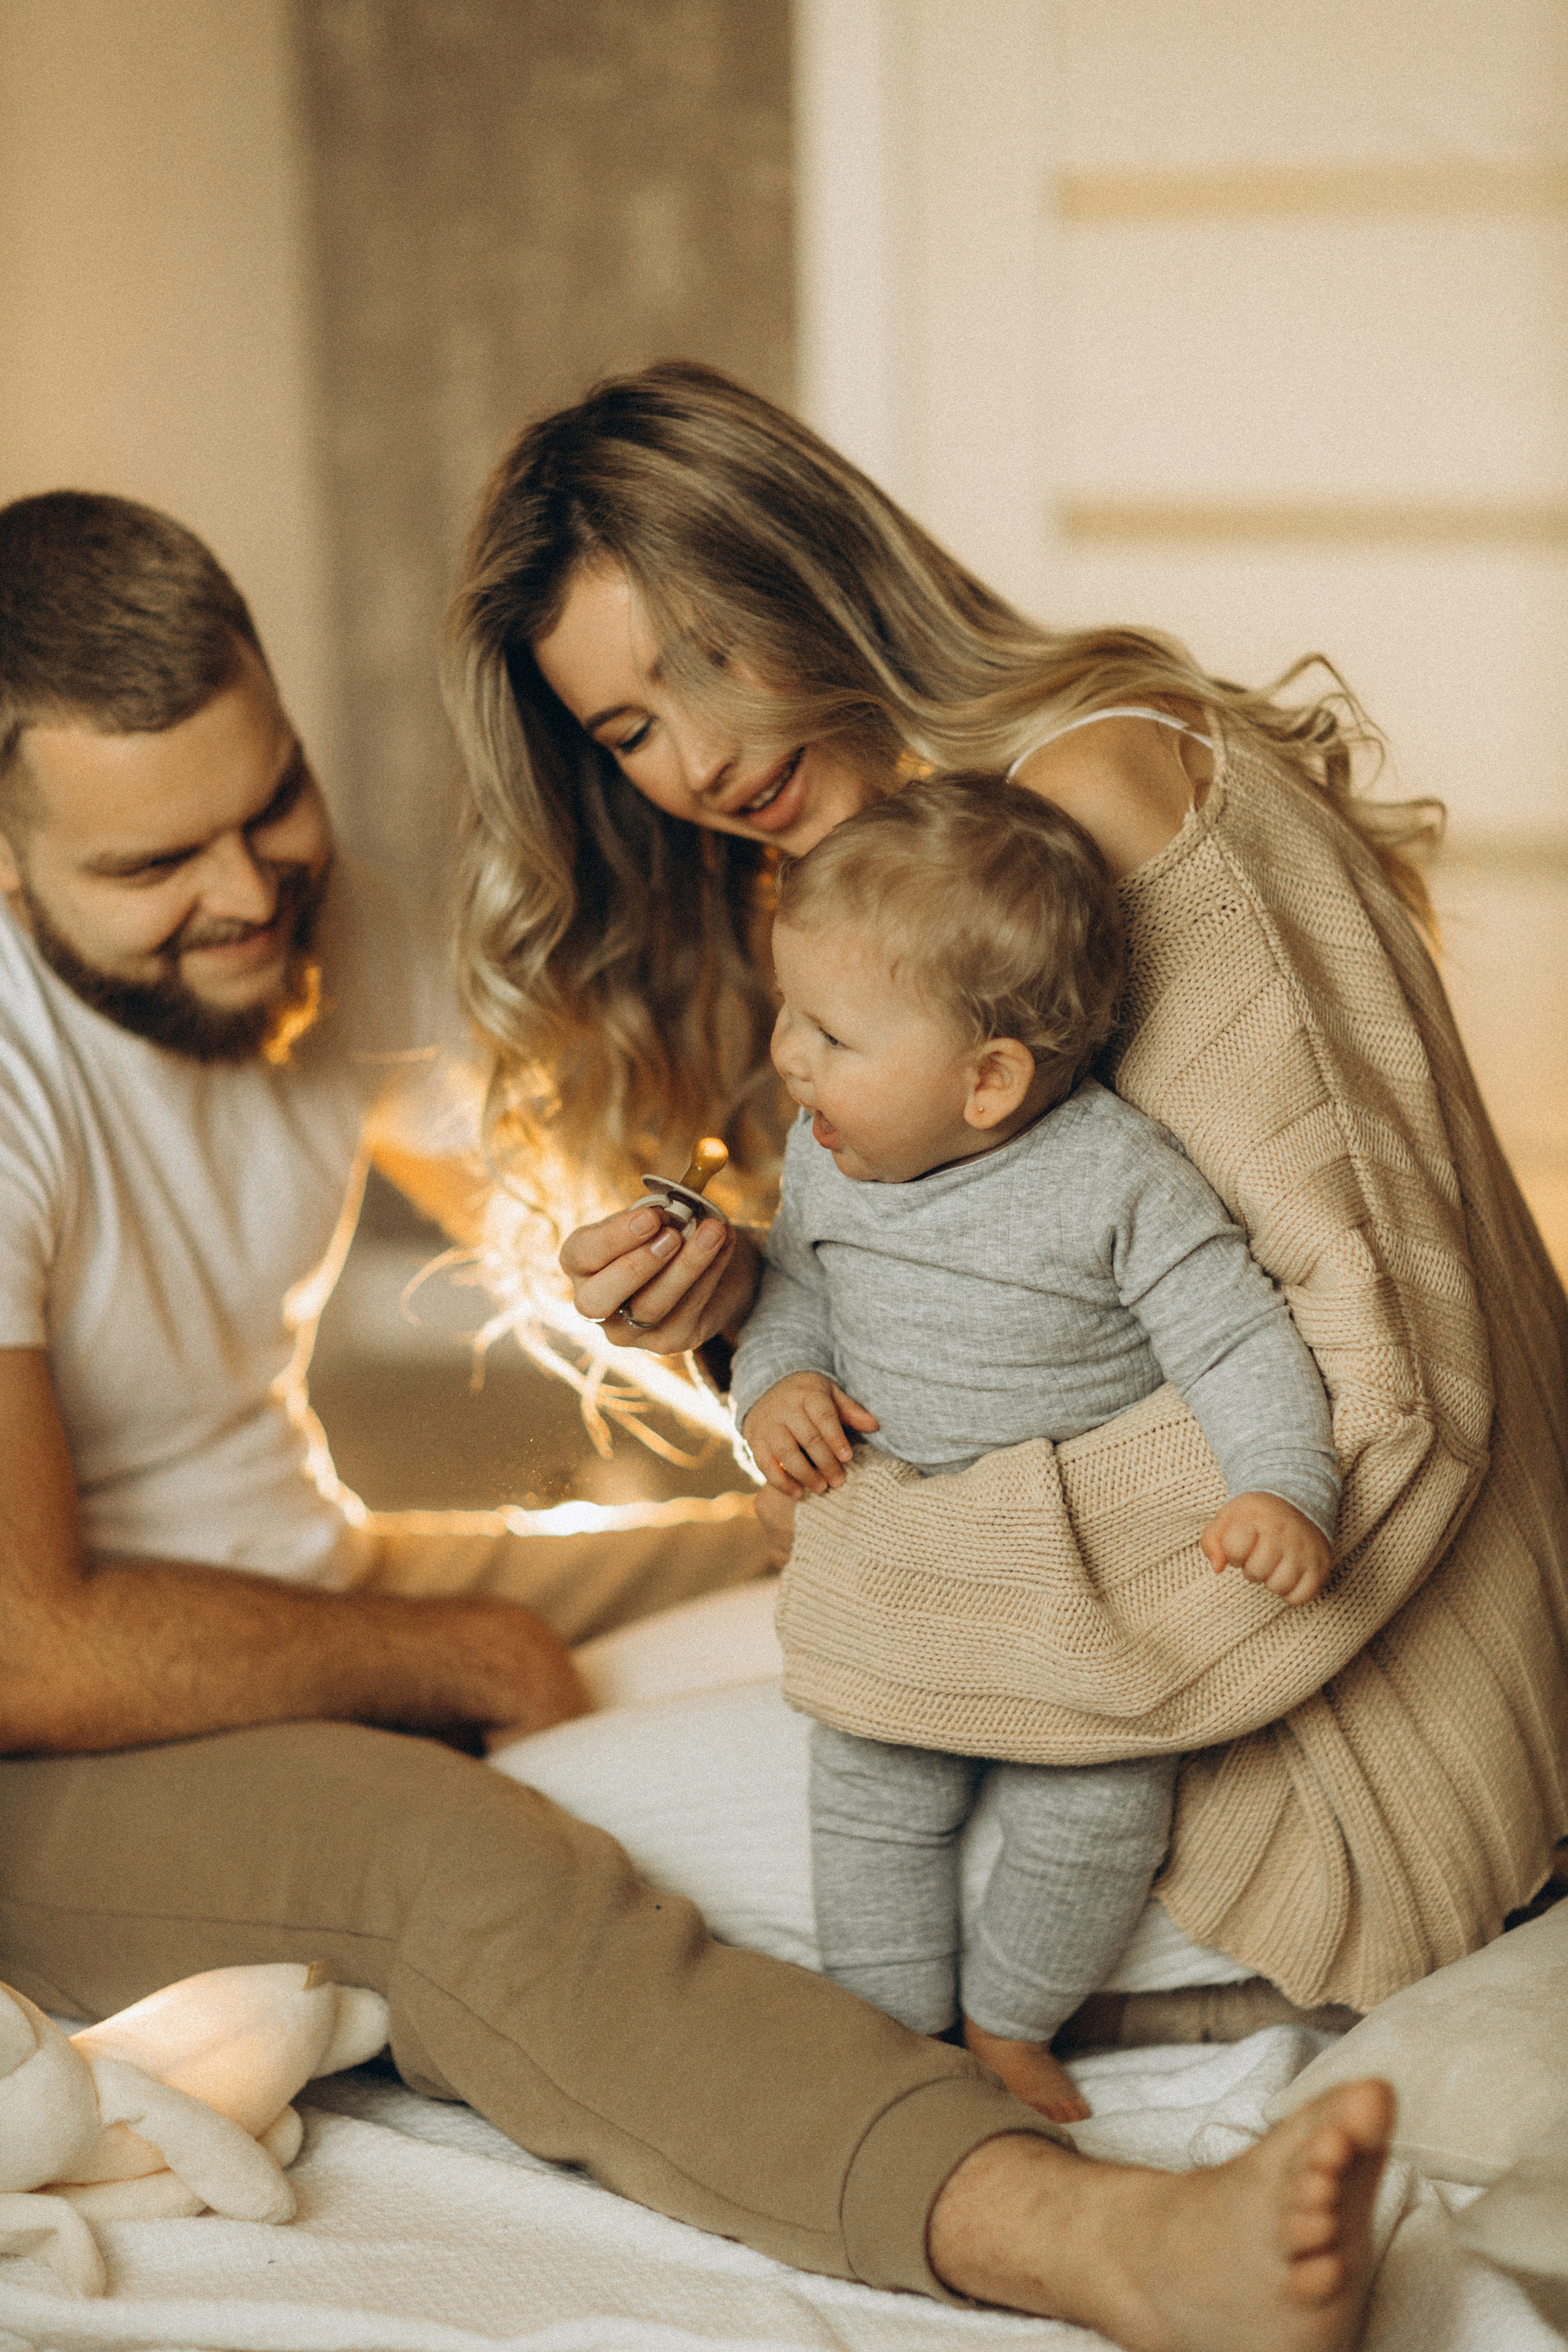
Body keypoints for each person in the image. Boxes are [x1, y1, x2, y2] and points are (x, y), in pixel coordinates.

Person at [0, 486, 1393, 2350]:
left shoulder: (306, 942)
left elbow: (615, 1188)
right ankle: (1093, 2241)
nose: (246, 889)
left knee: (807, 1526)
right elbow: (32, 1644)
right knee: (447, 1860)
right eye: (153, 866)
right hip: (56, 1753)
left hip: (296, 1571)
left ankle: (1218, 1887)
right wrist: (465, 1651)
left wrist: (702, 1268)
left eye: (274, 805)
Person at [440, 357, 1568, 2339]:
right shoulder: (895, 902)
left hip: (1354, 1754)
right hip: (1183, 1675)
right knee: (566, 1700)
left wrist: (875, 1576)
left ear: (813, 569)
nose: (697, 757)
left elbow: (1387, 1392)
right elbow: (1014, 1354)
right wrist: (746, 1333)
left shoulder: (1097, 795)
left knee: (482, 1848)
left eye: (709, 657)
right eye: (628, 723)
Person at [730, 774, 1340, 2122]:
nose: (787, 1057)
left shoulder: (1116, 1177)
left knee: (1102, 1807)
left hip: (1074, 1563)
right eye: (789, 1013)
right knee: (871, 1795)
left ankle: (1009, 2023)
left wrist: (1278, 1485)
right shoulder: (827, 1154)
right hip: (898, 1545)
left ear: (988, 1080)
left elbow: (1233, 1337)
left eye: (828, 1032)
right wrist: (774, 1386)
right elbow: (793, 1289)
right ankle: (888, 2039)